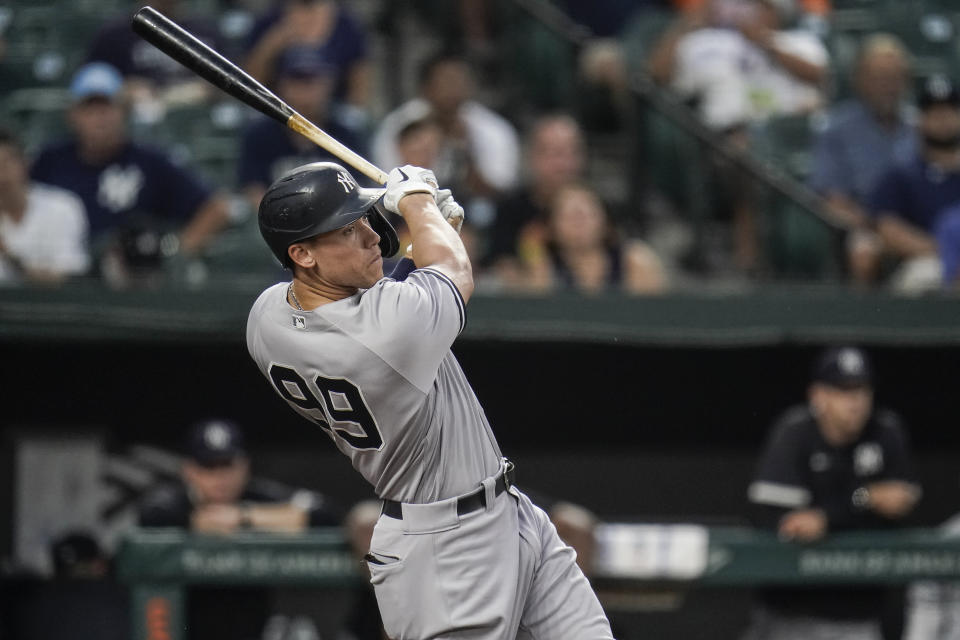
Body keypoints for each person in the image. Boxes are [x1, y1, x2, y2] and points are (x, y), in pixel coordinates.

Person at [246, 161, 614, 639]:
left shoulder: (266, 318)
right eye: (347, 229)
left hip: (508, 513)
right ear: (303, 254)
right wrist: (418, 202)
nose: (372, 235)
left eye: (363, 220)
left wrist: (436, 232)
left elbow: (387, 296)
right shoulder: (390, 332)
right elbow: (453, 275)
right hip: (447, 549)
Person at [745, 346, 921, 640]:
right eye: (843, 391)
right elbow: (791, 524)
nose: (855, 402)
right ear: (818, 395)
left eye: (862, 390)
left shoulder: (886, 430)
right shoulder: (795, 431)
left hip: (859, 615)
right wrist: (865, 500)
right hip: (790, 614)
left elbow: (900, 503)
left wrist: (830, 515)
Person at [30, 63, 230, 278]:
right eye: (90, 108)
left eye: (108, 106)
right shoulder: (50, 160)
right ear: (73, 115)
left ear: (124, 111)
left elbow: (217, 208)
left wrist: (174, 255)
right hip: (63, 274)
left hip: (134, 280)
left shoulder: (149, 161)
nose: (100, 117)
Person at [809, 34, 916, 284]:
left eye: (894, 77)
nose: (887, 85)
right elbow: (833, 199)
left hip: (919, 224)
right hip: (866, 225)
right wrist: (878, 226)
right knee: (863, 252)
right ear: (859, 80)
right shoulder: (836, 128)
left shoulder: (920, 127)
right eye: (878, 77)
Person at [370, 50, 520, 225]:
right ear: (425, 87)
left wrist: (466, 152)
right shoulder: (397, 127)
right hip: (406, 213)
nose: (452, 90)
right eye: (445, 81)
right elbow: (384, 184)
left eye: (458, 81)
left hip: (472, 213)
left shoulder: (493, 129)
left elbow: (503, 193)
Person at [648, 0, 828, 131]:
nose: (747, 11)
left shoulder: (799, 42)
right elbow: (655, 76)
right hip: (725, 136)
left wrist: (765, 43)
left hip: (785, 131)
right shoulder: (705, 42)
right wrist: (687, 23)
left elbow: (825, 77)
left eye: (758, 5)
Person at [139, 418, 338, 532]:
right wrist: (193, 520)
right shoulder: (174, 502)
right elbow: (152, 513)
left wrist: (245, 517)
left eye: (227, 465)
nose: (219, 477)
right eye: (208, 466)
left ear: (244, 467)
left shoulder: (257, 495)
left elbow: (324, 512)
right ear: (189, 471)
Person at [237, 45, 367, 213]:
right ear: (281, 85)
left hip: (337, 220)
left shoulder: (347, 132)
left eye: (313, 80)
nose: (306, 91)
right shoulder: (259, 134)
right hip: (280, 224)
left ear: (329, 83)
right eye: (297, 81)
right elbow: (252, 189)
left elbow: (361, 189)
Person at [869, 74, 960, 292]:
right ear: (920, 120)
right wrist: (947, 251)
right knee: (923, 277)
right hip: (927, 260)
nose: (943, 119)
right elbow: (887, 229)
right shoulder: (902, 174)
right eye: (934, 113)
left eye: (949, 112)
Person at [484, 113, 587, 286]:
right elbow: (502, 267)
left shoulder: (598, 207)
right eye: (555, 153)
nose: (564, 165)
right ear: (533, 157)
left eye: (572, 152)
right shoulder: (511, 209)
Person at [519, 183, 667, 294]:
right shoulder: (545, 266)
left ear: (606, 222)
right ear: (551, 227)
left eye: (587, 215)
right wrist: (533, 254)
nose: (579, 223)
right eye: (569, 216)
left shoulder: (633, 260)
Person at [243, 0, 370, 113]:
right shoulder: (268, 21)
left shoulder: (348, 26)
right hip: (277, 111)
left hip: (332, 114)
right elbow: (250, 79)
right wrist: (273, 43)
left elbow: (359, 85)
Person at [0, 128, 90, 284]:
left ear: (25, 163)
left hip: (51, 307)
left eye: (7, 163)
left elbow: (69, 279)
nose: (2, 174)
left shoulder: (61, 208)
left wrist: (10, 258)